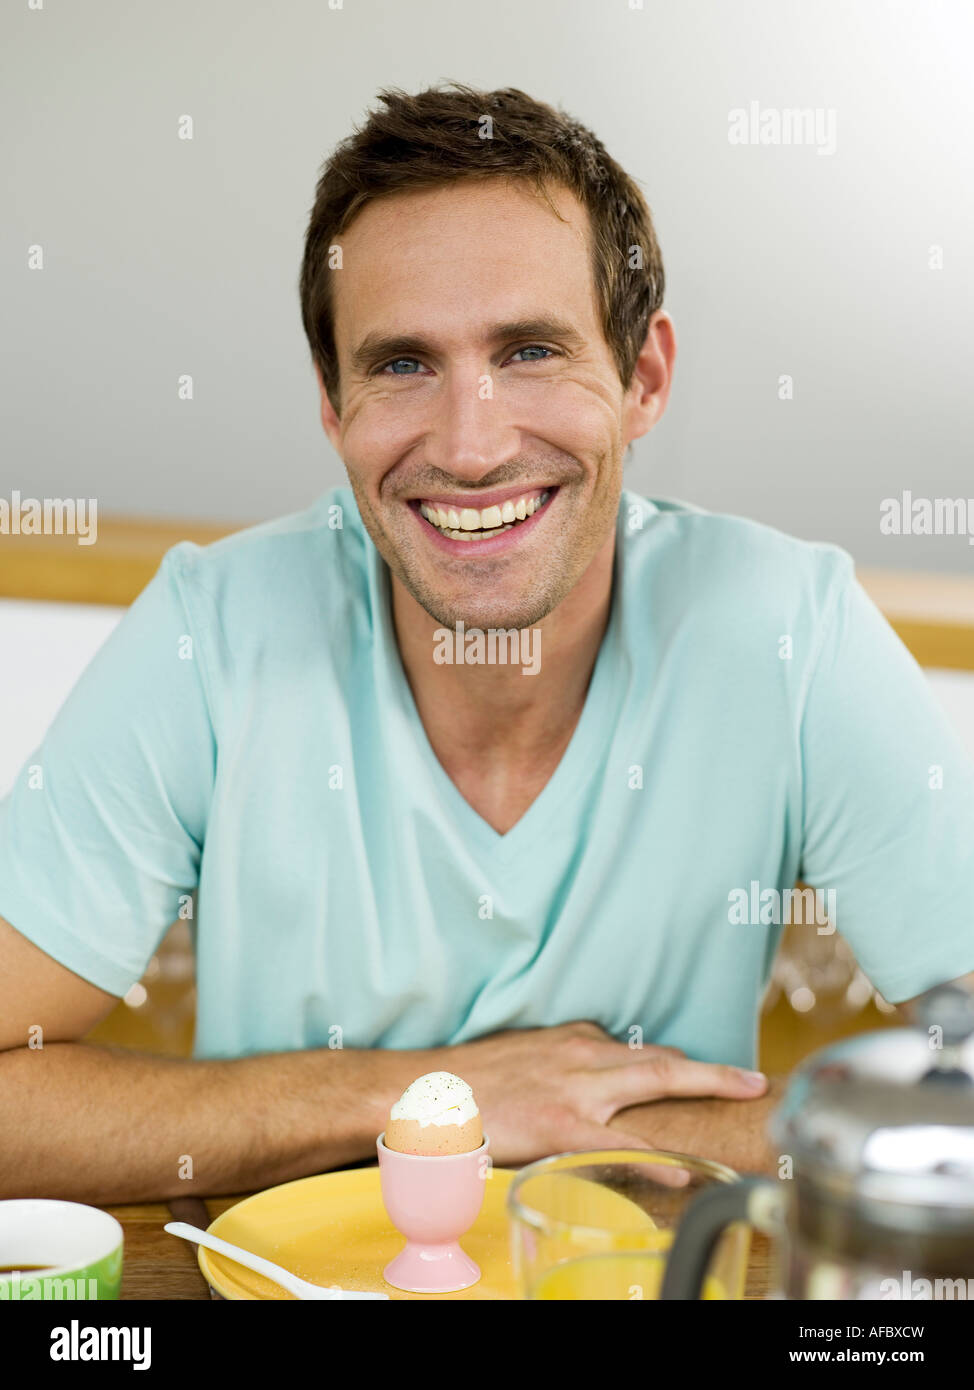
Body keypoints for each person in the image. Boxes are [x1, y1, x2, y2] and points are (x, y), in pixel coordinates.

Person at [2, 84, 972, 1204]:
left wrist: (614, 1128)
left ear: (642, 376)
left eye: (527, 350)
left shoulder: (790, 631)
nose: (469, 448)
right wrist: (436, 1093)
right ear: (332, 404)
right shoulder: (207, 631)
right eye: (402, 364)